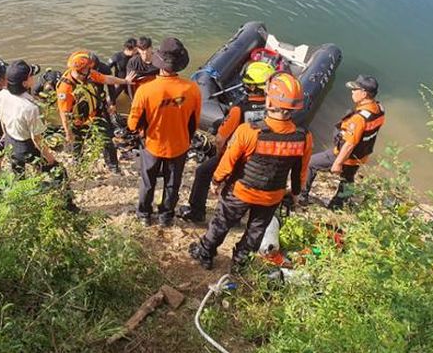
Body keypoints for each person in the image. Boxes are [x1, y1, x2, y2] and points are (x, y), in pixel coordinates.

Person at [189, 72, 313, 270]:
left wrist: (216, 181)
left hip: (241, 191)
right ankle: (240, 262)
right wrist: (296, 194)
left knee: (221, 223)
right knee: (256, 230)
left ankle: (205, 252)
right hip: (272, 196)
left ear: (270, 101)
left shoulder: (249, 131)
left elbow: (228, 161)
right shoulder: (303, 137)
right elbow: (300, 171)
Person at [177, 61, 275, 223]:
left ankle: (196, 211)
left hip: (239, 155)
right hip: (263, 157)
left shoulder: (239, 110)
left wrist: (220, 155)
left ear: (251, 86)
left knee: (203, 172)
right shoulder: (273, 109)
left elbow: (220, 138)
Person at [128, 38, 201, 227]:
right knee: (172, 183)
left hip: (152, 144)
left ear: (159, 61)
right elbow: (194, 121)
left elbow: (132, 123)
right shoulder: (192, 89)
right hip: (180, 145)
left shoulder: (145, 90)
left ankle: (144, 214)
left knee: (148, 182)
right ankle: (166, 216)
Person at [301, 74, 385, 208]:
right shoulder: (379, 109)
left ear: (364, 94)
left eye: (355, 89)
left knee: (311, 163)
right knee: (348, 178)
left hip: (345, 155)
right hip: (361, 155)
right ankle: (337, 205)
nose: (352, 92)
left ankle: (301, 197)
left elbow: (350, 144)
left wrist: (338, 163)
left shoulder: (359, 119)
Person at [56, 50, 135, 173]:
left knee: (106, 139)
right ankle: (78, 165)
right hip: (78, 121)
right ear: (80, 71)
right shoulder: (65, 88)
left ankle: (113, 166)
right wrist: (67, 132)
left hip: (95, 114)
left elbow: (107, 79)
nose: (91, 70)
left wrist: (125, 81)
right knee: (77, 144)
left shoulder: (88, 74)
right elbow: (63, 113)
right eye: (88, 68)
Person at [0, 60, 56, 177]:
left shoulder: (3, 94)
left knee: (18, 175)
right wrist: (50, 158)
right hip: (25, 146)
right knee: (56, 171)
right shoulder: (30, 107)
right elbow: (37, 138)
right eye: (31, 75)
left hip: (9, 141)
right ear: (25, 83)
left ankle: (23, 191)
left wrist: (5, 135)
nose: (33, 77)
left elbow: (1, 117)